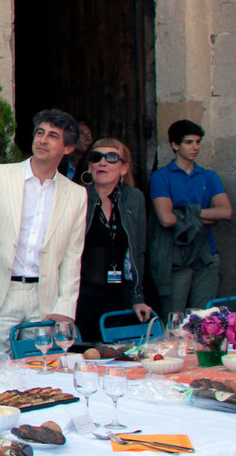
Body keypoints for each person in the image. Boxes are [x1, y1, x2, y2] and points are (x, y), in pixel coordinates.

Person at [0, 109, 87, 362]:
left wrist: (66, 308)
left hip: (44, 294)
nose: (43, 140)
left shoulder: (76, 194)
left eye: (53, 136)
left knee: (40, 367)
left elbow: (73, 255)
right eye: (40, 132)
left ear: (68, 148)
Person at [149, 120, 233, 314]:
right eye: (189, 142)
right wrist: (206, 215)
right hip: (176, 256)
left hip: (206, 254)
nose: (195, 147)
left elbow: (226, 211)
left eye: (198, 142)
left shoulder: (209, 176)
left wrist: (186, 213)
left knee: (205, 319)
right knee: (174, 320)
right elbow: (166, 219)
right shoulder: (162, 176)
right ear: (175, 145)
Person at [75, 138, 151, 342]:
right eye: (96, 157)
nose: (103, 162)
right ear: (89, 167)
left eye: (111, 158)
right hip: (83, 294)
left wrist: (138, 298)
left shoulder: (134, 198)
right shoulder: (76, 196)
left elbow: (138, 250)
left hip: (119, 293)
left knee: (120, 356)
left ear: (124, 168)